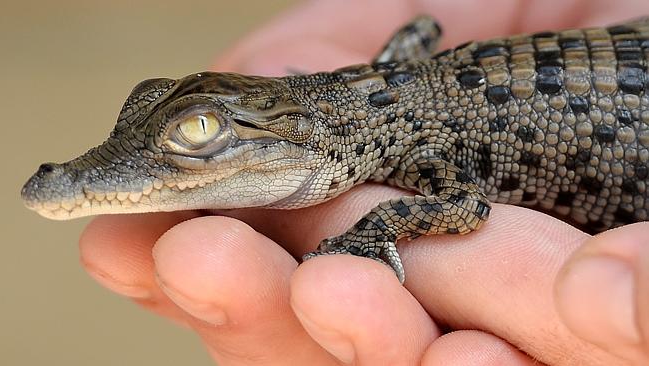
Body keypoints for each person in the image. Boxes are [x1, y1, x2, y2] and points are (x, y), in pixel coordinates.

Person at [79, 0, 649, 364]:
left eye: (200, 129)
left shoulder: (419, 138)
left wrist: (370, 231)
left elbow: (463, 205)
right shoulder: (391, 90)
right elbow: (420, 28)